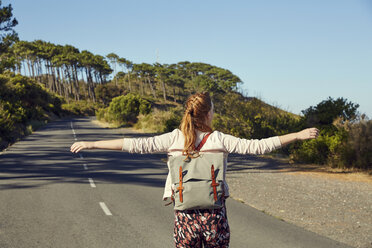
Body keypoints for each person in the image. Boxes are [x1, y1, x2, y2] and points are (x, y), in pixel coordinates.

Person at [70, 92, 319, 248]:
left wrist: (92, 143)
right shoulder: (220, 139)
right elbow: (258, 147)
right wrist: (296, 135)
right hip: (214, 216)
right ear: (209, 114)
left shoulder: (174, 138)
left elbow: (135, 145)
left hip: (185, 216)